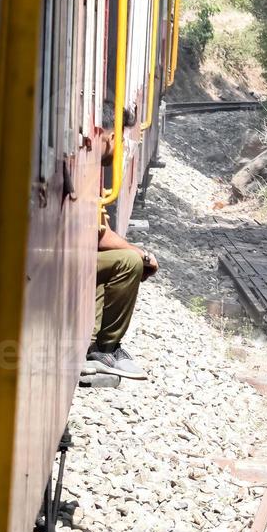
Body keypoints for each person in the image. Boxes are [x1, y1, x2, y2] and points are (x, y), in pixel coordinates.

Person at [84, 103, 159, 380]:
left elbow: (99, 231)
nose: (124, 147)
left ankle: (96, 343)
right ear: (109, 136)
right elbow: (100, 236)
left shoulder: (90, 166)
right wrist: (141, 254)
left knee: (122, 258)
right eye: (123, 138)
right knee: (127, 262)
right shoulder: (86, 167)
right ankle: (106, 347)